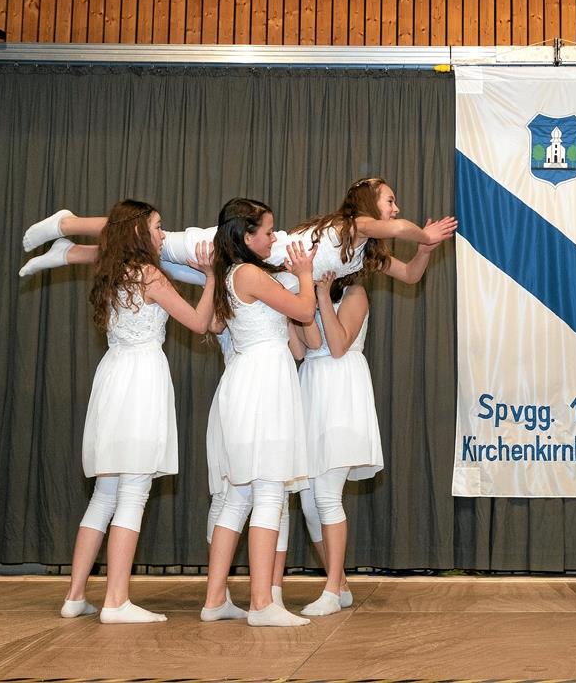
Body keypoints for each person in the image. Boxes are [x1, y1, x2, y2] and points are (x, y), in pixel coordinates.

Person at [61, 200, 216, 624]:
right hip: (141, 380)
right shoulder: (149, 274)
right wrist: (211, 278)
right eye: (158, 227)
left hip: (112, 377)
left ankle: (76, 595)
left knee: (104, 496)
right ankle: (116, 600)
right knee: (132, 491)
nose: (164, 235)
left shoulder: (111, 272)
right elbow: (200, 323)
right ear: (137, 233)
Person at [201, 197, 316, 628]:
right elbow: (305, 311)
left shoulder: (232, 274)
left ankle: (216, 599)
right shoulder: (248, 272)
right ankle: (262, 603)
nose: (273, 237)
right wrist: (304, 275)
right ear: (246, 236)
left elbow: (214, 325)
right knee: (268, 490)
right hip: (263, 382)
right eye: (267, 231)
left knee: (238, 496)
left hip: (246, 379)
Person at [19, 178, 458, 283]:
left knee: (152, 260)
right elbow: (399, 226)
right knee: (150, 237)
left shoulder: (365, 252)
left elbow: (411, 275)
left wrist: (427, 249)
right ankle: (67, 222)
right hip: (250, 249)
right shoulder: (352, 227)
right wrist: (423, 232)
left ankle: (71, 253)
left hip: (262, 280)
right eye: (389, 198)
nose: (395, 207)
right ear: (369, 206)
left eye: (394, 201)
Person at [288, 271, 383, 616]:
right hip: (311, 388)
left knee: (327, 495)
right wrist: (295, 305)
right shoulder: (308, 293)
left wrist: (324, 296)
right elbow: (301, 349)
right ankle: (339, 582)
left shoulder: (355, 292)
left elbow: (339, 345)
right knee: (309, 501)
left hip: (342, 390)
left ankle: (331, 589)